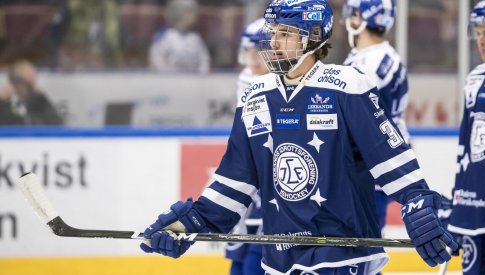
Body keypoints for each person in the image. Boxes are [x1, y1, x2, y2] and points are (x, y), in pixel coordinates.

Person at [140, 1, 458, 274]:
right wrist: (189, 224)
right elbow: (235, 180)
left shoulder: (346, 85)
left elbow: (387, 154)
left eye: (286, 34)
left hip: (342, 255)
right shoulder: (255, 97)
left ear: (314, 38)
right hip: (278, 258)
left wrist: (417, 198)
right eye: (273, 32)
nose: (274, 42)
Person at [342, 0, 408, 234]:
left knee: (362, 250)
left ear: (362, 17)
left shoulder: (375, 61)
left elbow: (360, 118)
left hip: (370, 165)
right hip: (370, 164)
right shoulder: (368, 56)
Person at [447, 1, 485, 274]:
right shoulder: (474, 79)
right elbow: (466, 145)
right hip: (474, 203)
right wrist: (457, 202)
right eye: (478, 32)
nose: (482, 41)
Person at [226, 18, 267, 275]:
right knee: (239, 249)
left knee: (260, 247)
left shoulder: (282, 83)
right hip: (249, 172)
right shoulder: (246, 79)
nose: (251, 58)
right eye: (248, 50)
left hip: (271, 177)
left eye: (257, 51)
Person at [148, 0, 210, 74]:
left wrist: (200, 79)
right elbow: (157, 61)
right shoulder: (164, 37)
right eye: (191, 12)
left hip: (192, 83)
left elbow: (204, 61)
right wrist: (169, 79)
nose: (195, 16)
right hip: (169, 82)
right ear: (180, 12)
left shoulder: (195, 38)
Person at [0, 60, 62, 125]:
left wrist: (42, 100)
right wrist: (3, 104)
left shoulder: (39, 101)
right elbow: (6, 124)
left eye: (32, 81)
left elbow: (56, 123)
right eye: (21, 81)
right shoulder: (6, 101)